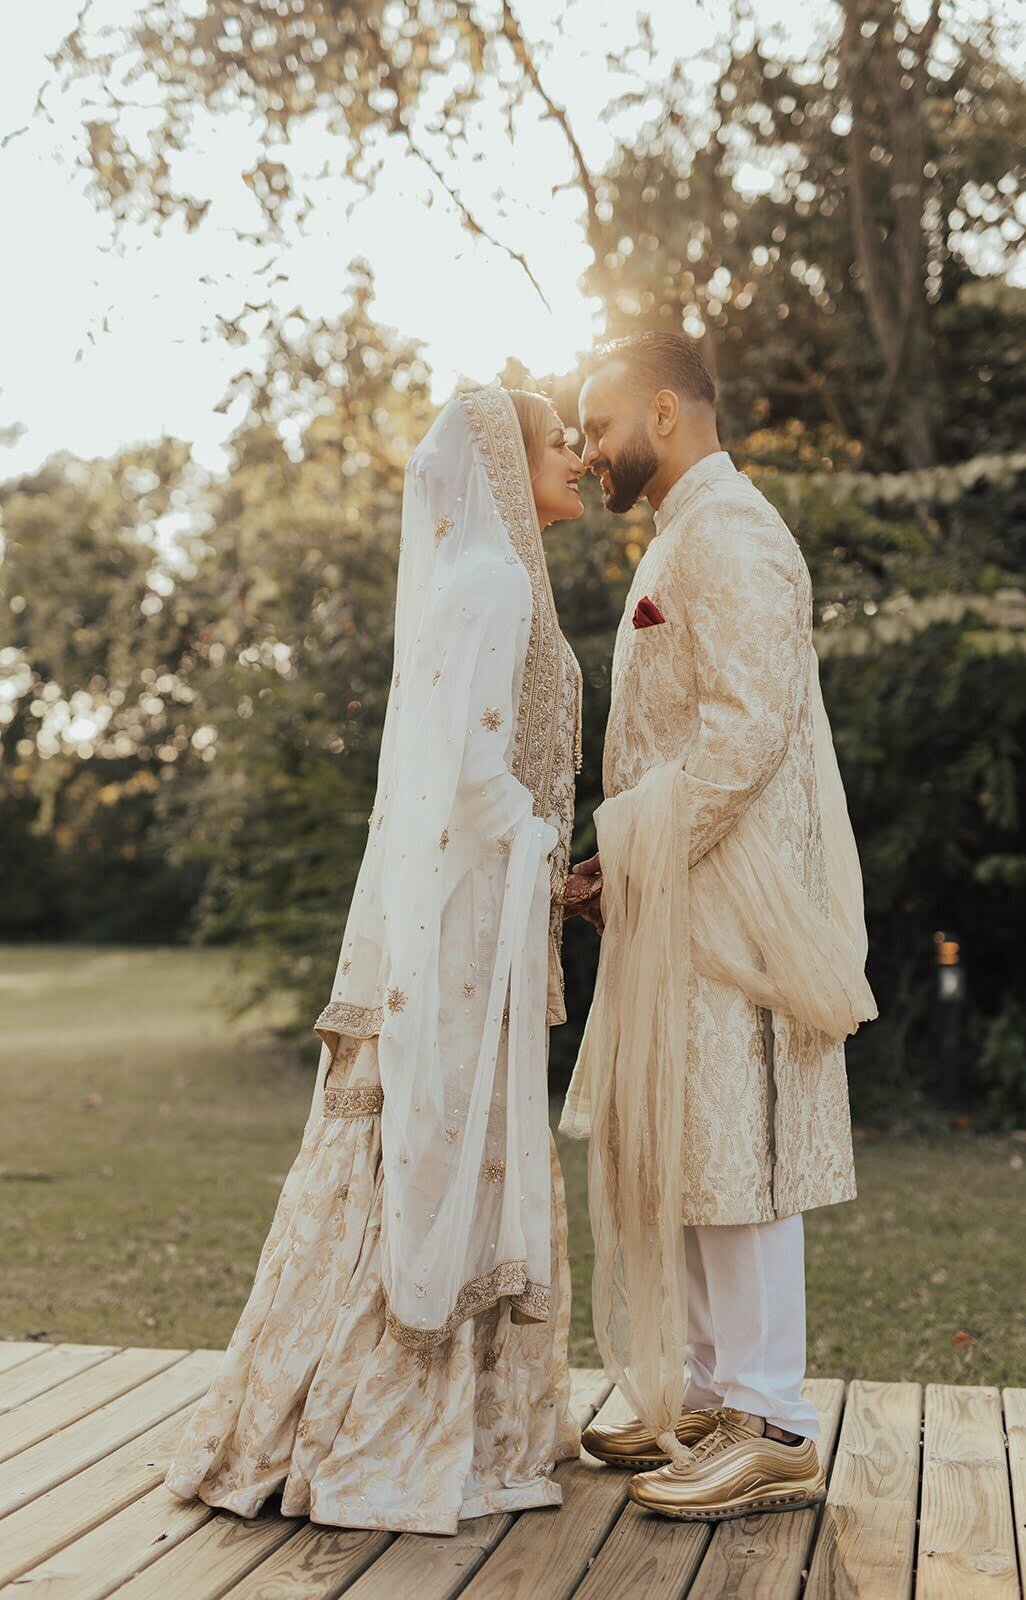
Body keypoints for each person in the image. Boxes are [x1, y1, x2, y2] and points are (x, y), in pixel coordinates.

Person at [166, 386, 587, 1536]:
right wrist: (545, 843)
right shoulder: (495, 587)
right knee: (445, 1152)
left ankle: (340, 1411)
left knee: (423, 1146)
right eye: (561, 442)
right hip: (460, 934)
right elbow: (467, 776)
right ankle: (388, 1433)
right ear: (508, 464)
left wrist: (548, 875)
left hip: (470, 917)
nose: (582, 456)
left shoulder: (483, 583)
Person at [560, 331, 876, 1522]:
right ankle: (701, 1392)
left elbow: (748, 734)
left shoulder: (735, 535)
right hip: (679, 887)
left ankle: (773, 1419)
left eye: (597, 427)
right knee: (687, 1139)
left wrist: (642, 846)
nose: (589, 454)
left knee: (738, 1147)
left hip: (732, 899)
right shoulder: (687, 532)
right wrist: (617, 865)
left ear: (663, 411)